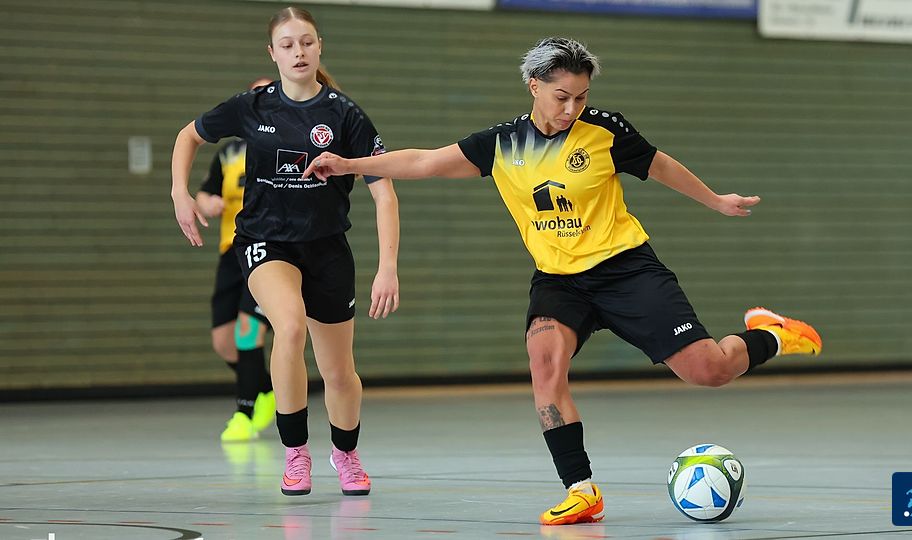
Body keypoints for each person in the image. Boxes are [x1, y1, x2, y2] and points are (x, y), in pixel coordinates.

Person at [304, 37, 822, 524]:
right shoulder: (502, 144)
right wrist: (349, 163)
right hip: (558, 281)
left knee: (709, 370)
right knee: (544, 365)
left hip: (625, 269)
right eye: (561, 96)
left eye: (581, 96)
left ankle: (771, 332)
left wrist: (716, 200)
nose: (571, 108)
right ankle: (582, 491)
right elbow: (424, 161)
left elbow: (660, 166)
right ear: (534, 86)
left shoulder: (605, 132)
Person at [171, 6, 400, 497]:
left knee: (339, 372)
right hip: (265, 241)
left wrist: (388, 268)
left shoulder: (345, 114)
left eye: (307, 42)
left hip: (327, 248)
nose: (299, 52)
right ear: (272, 53)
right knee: (289, 327)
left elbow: (384, 193)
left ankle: (346, 454)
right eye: (288, 44)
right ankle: (296, 453)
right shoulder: (252, 106)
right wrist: (179, 193)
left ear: (319, 48)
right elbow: (188, 135)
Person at [195, 77, 276, 443]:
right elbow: (205, 192)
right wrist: (206, 202)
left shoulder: (290, 143)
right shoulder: (229, 153)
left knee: (248, 331)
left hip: (271, 249)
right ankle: (269, 389)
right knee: (224, 342)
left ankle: (244, 413)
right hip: (232, 250)